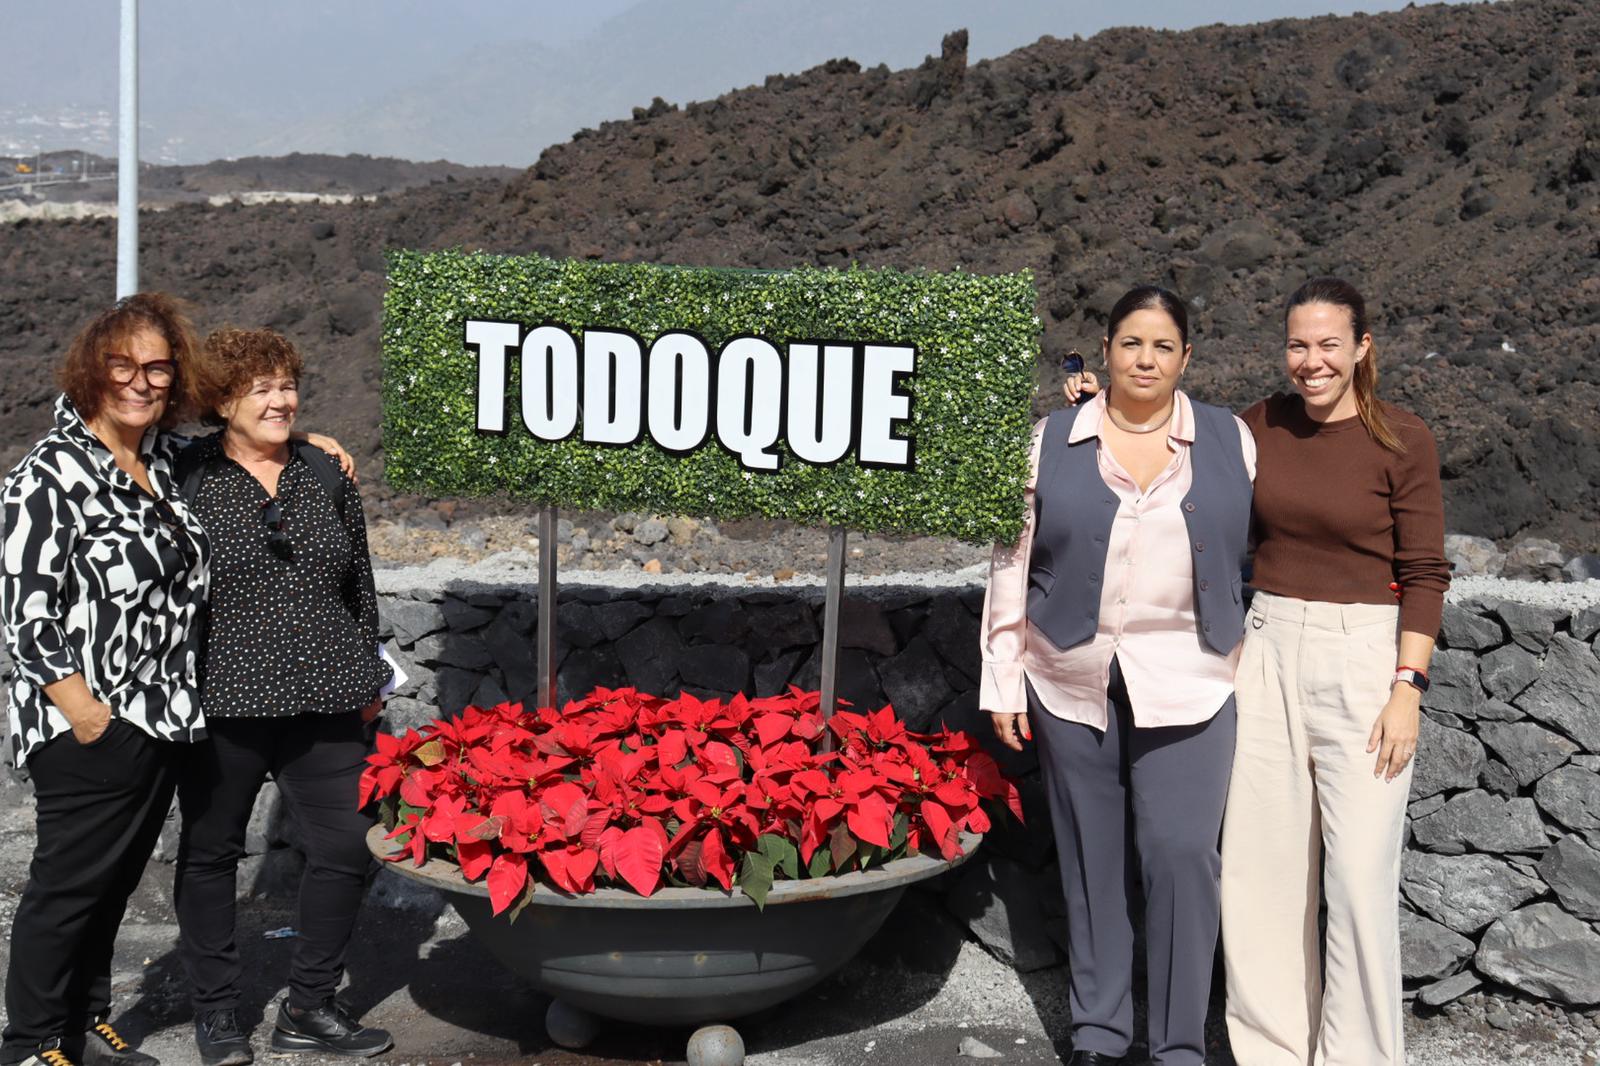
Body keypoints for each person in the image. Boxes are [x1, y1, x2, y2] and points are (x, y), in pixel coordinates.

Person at [982, 286, 1256, 1066]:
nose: (1146, 359)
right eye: (1132, 343)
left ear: (1187, 358)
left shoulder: (1233, 440)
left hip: (1195, 678)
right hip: (1070, 676)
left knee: (1180, 856)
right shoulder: (1049, 440)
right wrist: (1003, 675)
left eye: (1163, 346)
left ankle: (1176, 1045)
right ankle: (1100, 1034)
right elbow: (1010, 563)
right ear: (1105, 349)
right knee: (1091, 861)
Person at [1219, 278, 1449, 1065]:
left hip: (1367, 659)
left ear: (1361, 349)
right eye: (1296, 345)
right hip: (1269, 643)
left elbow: (1425, 571)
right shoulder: (1258, 426)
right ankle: (1271, 1054)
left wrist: (1406, 691)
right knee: (1261, 874)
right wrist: (1099, 402)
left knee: (1356, 882)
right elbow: (1177, 454)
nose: (1310, 362)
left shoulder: (1402, 438)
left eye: (1327, 345)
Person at [172, 327, 392, 1065]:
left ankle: (309, 1006)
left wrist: (369, 677)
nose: (280, 399)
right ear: (220, 399)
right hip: (224, 705)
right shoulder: (184, 475)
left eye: (287, 384)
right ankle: (216, 1015)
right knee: (210, 856)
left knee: (347, 849)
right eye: (259, 387)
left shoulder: (326, 473)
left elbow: (359, 584)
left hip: (329, 697)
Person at [1, 293, 210, 1066]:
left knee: (112, 886)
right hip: (89, 725)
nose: (141, 381)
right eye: (123, 365)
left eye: (157, 368)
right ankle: (27, 1044)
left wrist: (312, 441)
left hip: (158, 718)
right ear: (91, 369)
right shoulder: (51, 473)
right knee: (65, 892)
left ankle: (81, 1027)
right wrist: (86, 714)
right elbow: (25, 614)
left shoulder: (158, 461)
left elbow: (240, 442)